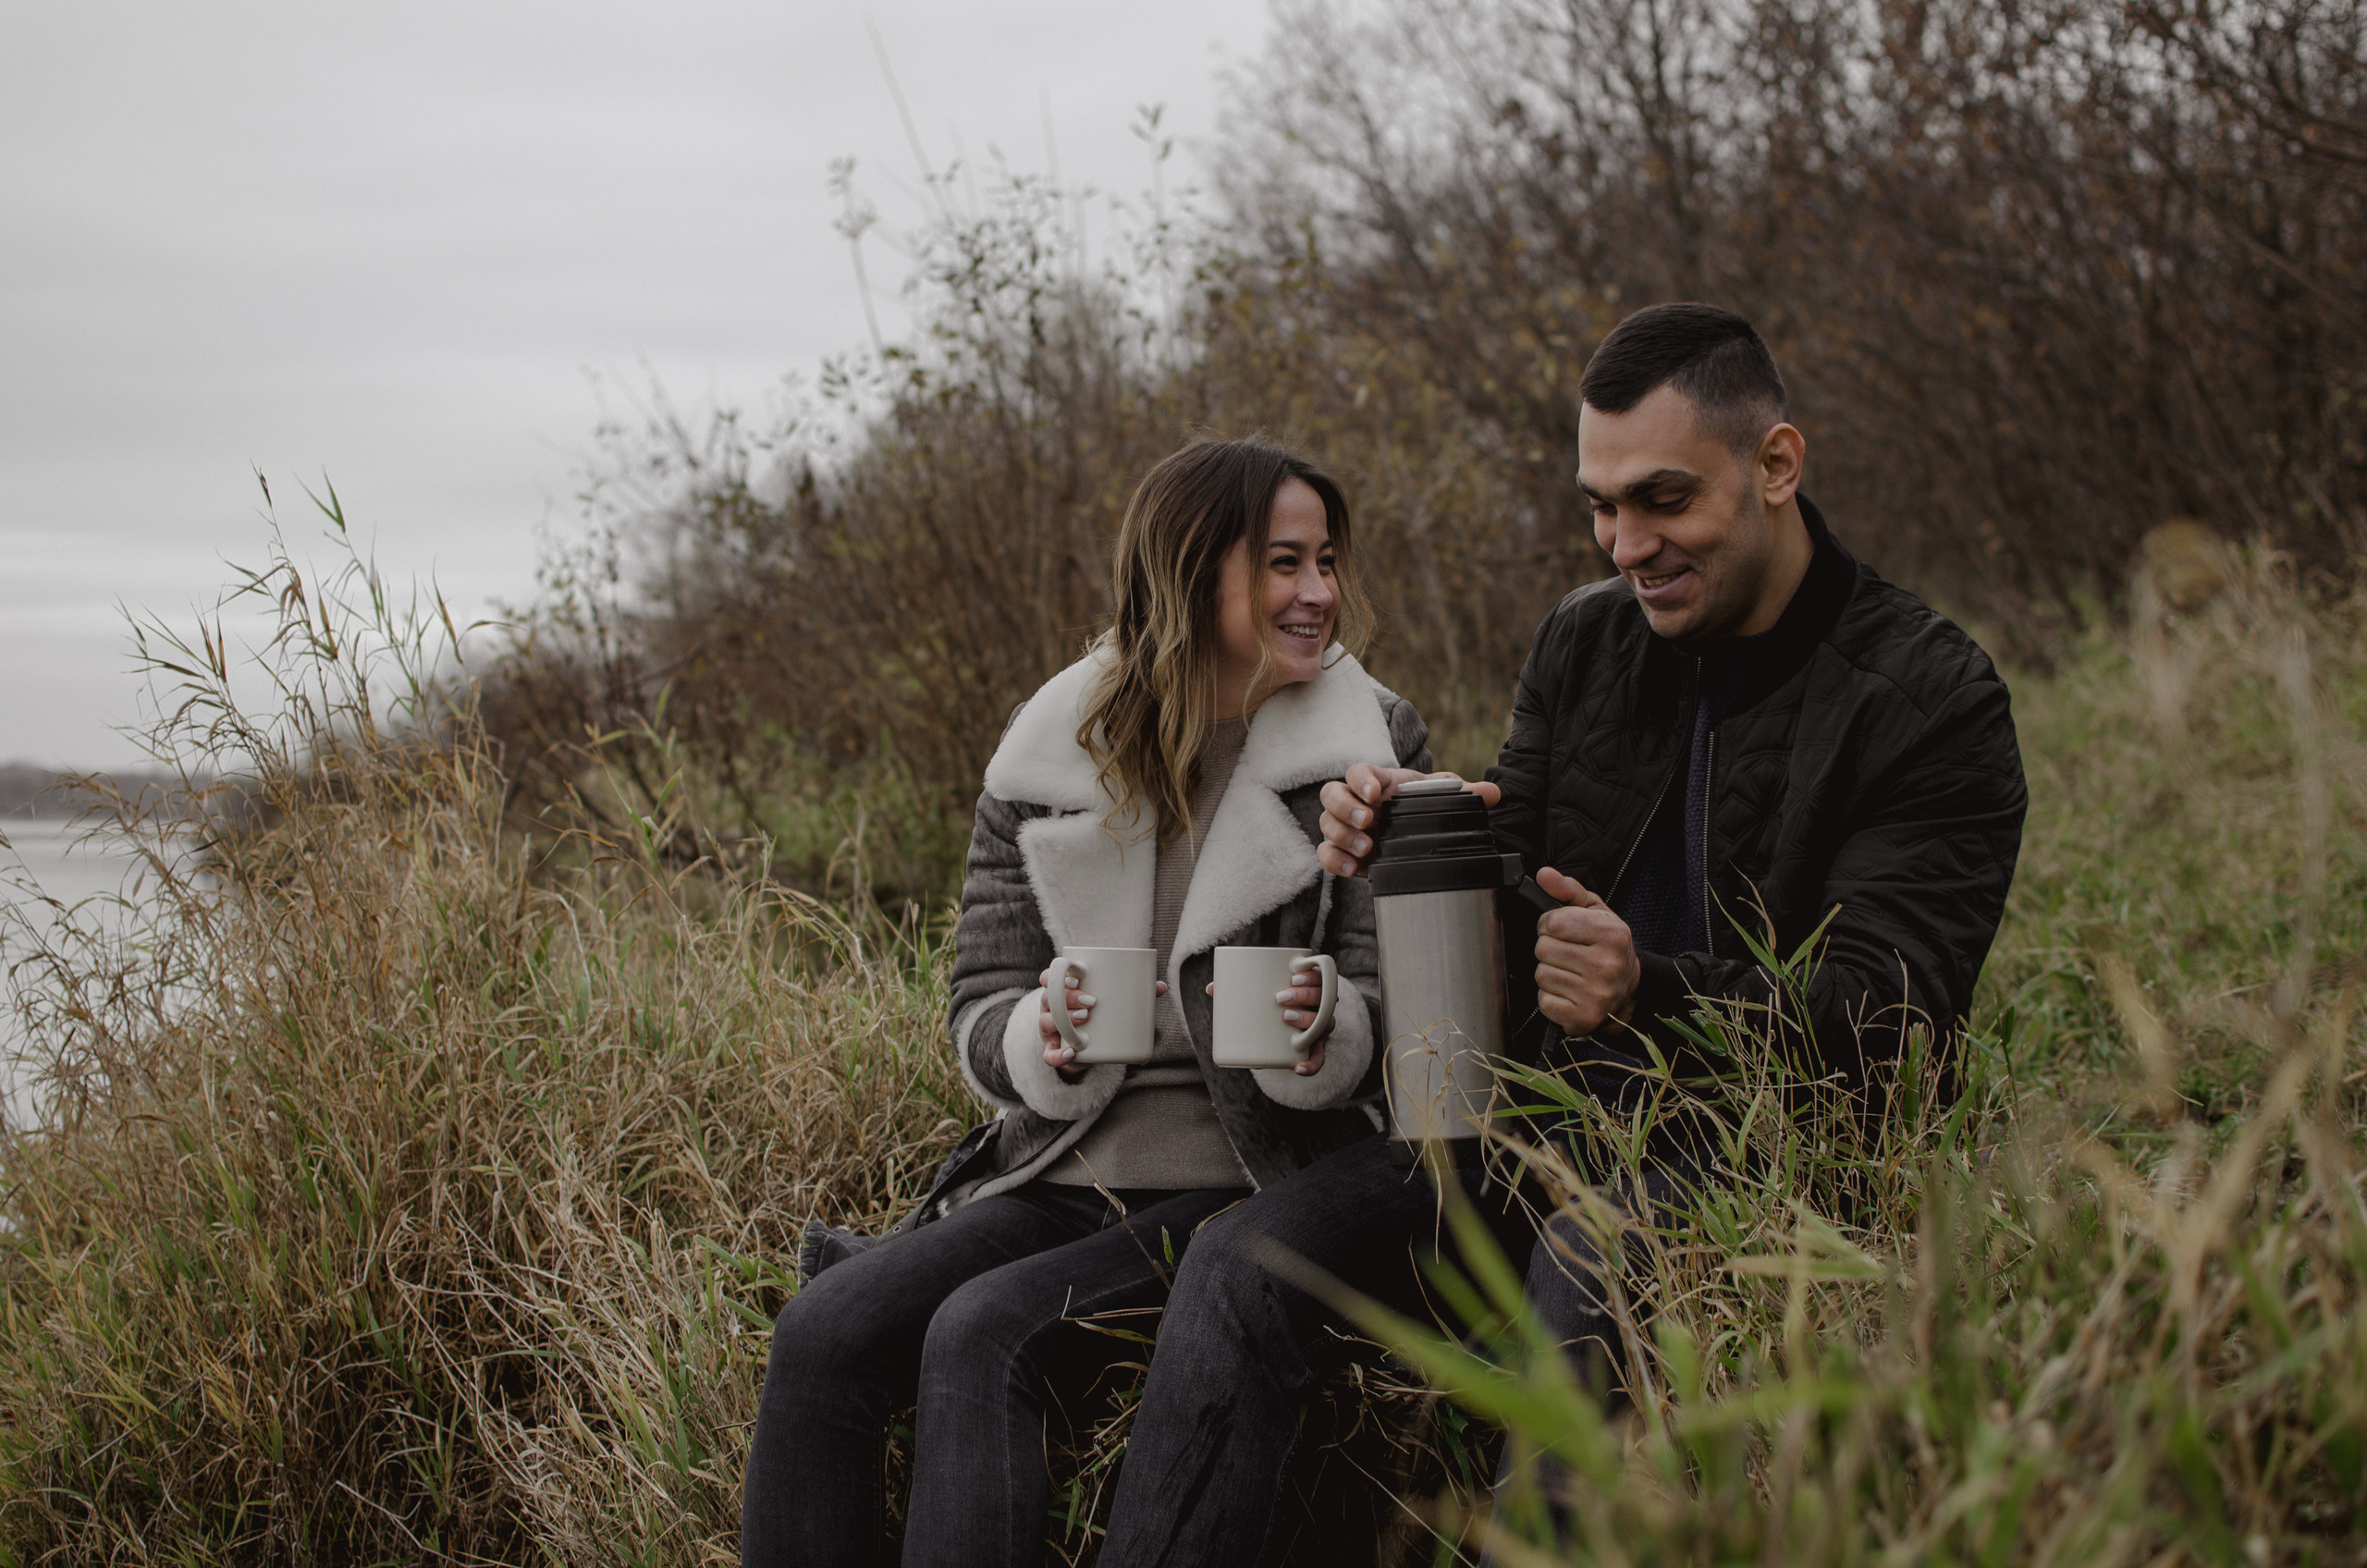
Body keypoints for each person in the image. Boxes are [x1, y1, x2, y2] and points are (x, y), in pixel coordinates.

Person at [1086, 302, 2028, 1561]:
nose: (1628, 544)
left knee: (1589, 1261)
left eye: (1663, 500)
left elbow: (1892, 1021)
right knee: (1244, 1260)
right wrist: (1406, 836)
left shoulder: (1929, 699)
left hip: (1763, 1160)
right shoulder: (1586, 641)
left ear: (1777, 466)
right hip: (1531, 1125)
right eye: (1601, 506)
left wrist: (1653, 991)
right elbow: (1509, 867)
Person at [739, 437, 1431, 1568]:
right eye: (1284, 564)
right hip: (1057, 1171)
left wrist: (1326, 1025)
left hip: (1241, 1178)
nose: (1321, 594)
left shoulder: (1369, 745)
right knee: (824, 1328)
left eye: (1327, 562)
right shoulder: (1045, 755)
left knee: (982, 1330)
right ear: (1191, 572)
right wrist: (1036, 1034)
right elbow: (978, 999)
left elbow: (1398, 1002)